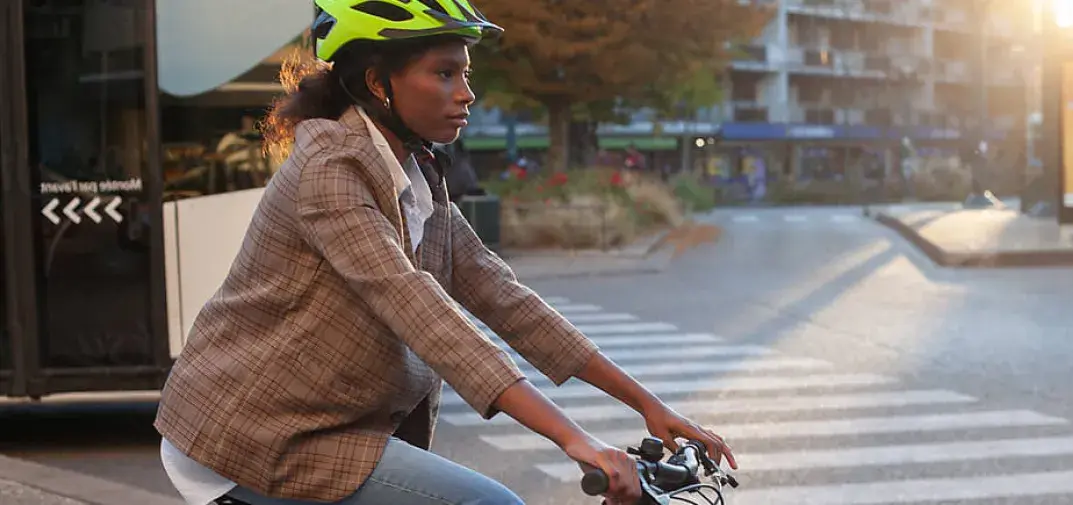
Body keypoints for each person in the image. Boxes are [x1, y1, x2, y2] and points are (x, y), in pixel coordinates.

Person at [152, 1, 735, 505]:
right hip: (256, 435)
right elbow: (420, 311)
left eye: (466, 73)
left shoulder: (413, 172)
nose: (467, 92)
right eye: (445, 73)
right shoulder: (330, 170)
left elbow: (502, 296)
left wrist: (647, 404)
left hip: (329, 424)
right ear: (378, 82)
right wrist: (574, 439)